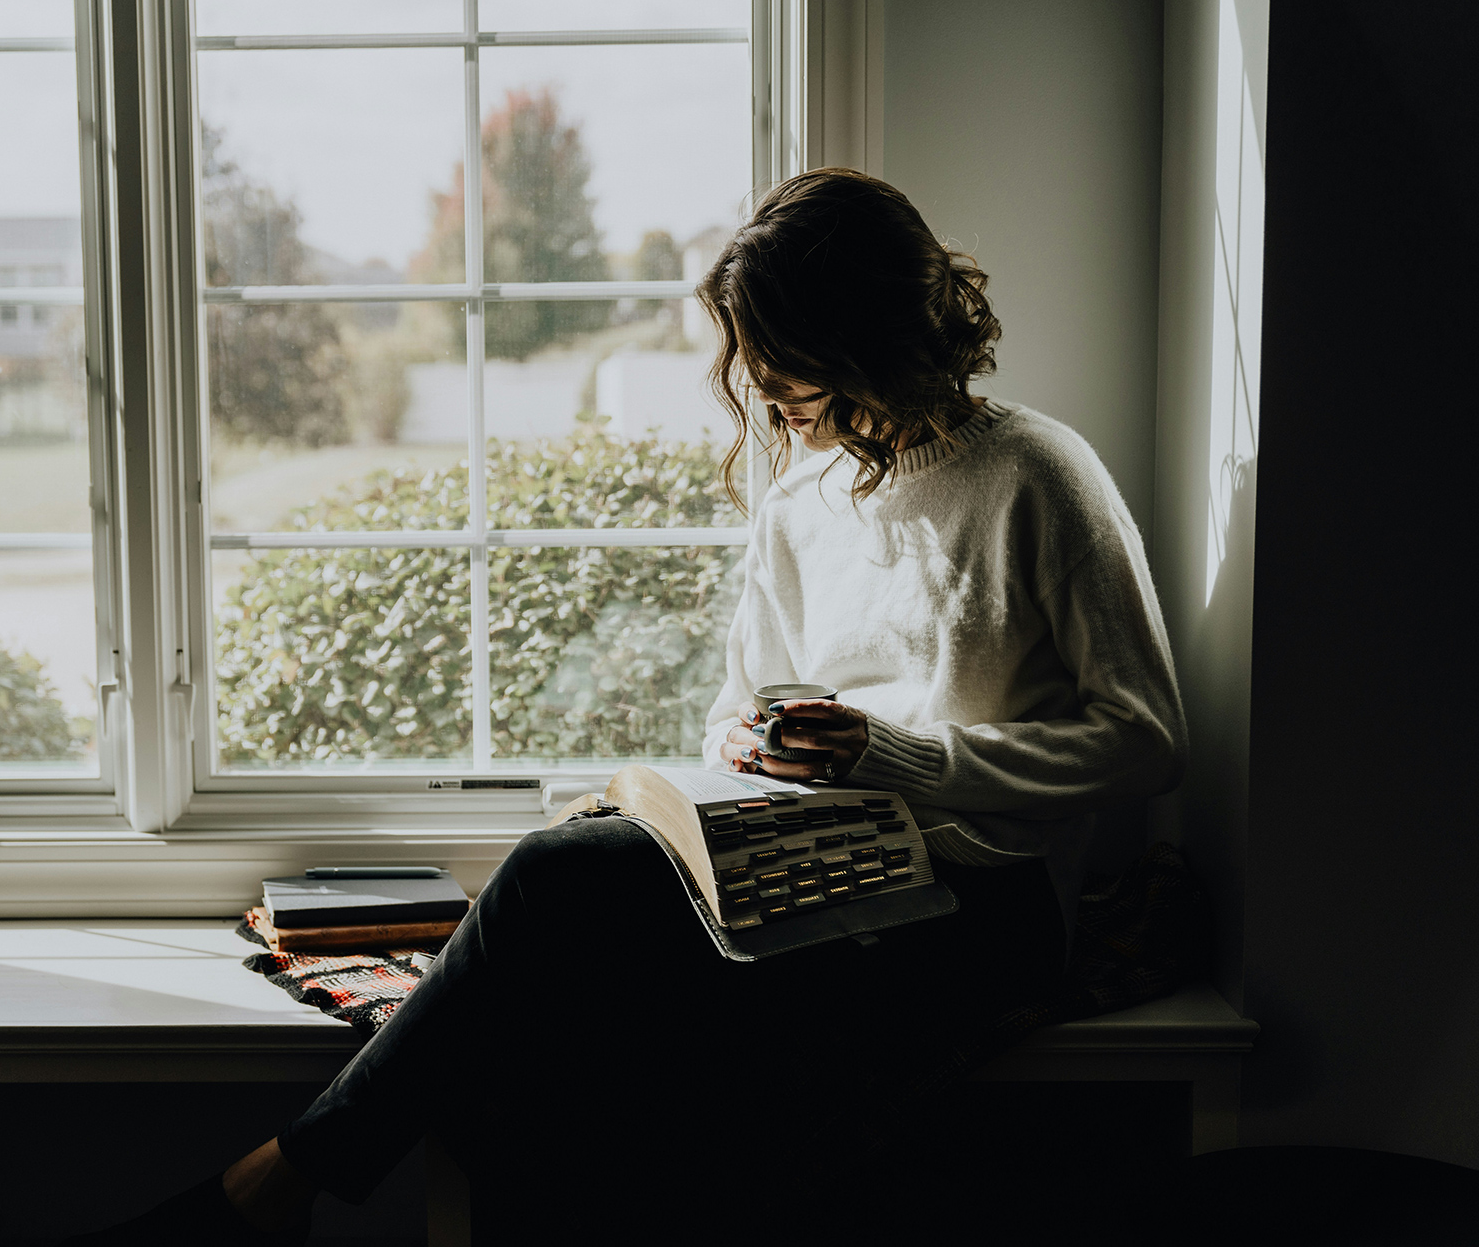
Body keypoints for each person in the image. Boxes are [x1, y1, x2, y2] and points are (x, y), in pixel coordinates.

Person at [66, 168, 1187, 1246]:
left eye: (785, 366)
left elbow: (1145, 739)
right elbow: (731, 712)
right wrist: (754, 745)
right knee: (554, 1009)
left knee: (559, 902)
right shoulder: (799, 500)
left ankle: (278, 1182)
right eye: (756, 366)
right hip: (815, 868)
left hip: (977, 905)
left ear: (867, 340)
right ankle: (286, 1185)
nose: (763, 394)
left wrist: (898, 755)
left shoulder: (1037, 475)